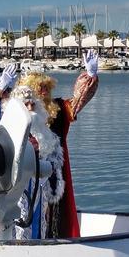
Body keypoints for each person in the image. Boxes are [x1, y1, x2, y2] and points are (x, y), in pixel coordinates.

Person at [15, 50, 99, 239]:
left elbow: (78, 101)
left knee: (54, 213)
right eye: (39, 88)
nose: (43, 91)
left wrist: (90, 76)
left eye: (46, 87)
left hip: (54, 171)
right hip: (25, 174)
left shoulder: (59, 109)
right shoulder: (18, 114)